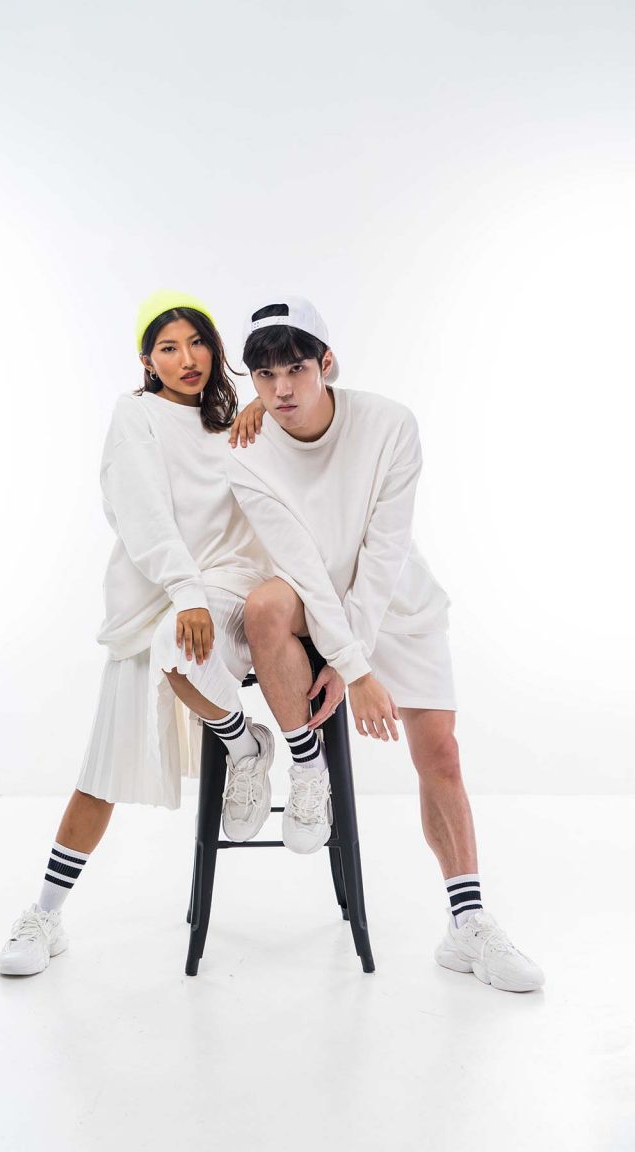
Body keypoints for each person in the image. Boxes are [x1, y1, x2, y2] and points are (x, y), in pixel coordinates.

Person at [224, 296, 544, 994]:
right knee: (265, 602)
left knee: (441, 755)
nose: (282, 389)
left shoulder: (391, 424)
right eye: (265, 376)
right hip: (312, 602)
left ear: (327, 363)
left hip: (396, 604)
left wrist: (357, 665)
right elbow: (302, 565)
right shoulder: (246, 449)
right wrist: (349, 662)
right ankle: (307, 767)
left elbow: (384, 550)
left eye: (296, 369)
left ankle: (467, 923)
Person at [0, 291, 275, 977]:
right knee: (102, 772)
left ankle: (243, 747)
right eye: (168, 348)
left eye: (197, 343)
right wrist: (184, 592)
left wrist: (266, 405)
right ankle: (45, 915)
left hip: (231, 594)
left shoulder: (237, 425)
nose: (187, 359)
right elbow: (142, 512)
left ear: (215, 348)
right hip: (162, 601)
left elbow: (324, 397)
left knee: (181, 646)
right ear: (147, 361)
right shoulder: (137, 415)